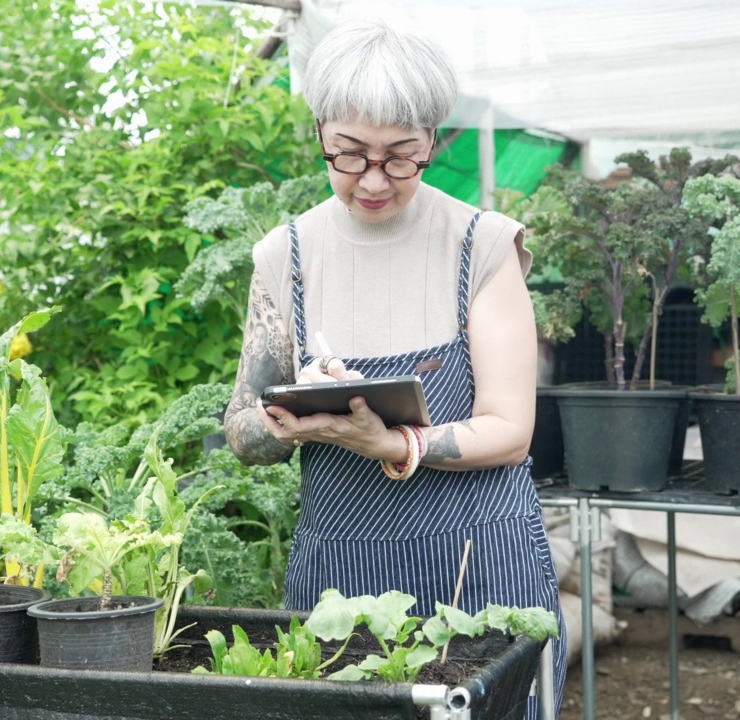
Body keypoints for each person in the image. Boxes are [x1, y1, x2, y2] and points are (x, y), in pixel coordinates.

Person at [223, 19, 566, 716]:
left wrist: (396, 443)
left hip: (482, 558)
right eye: (349, 154)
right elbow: (242, 433)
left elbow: (511, 428)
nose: (373, 180)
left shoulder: (481, 246)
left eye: (400, 156)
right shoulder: (285, 257)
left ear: (435, 142)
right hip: (340, 566)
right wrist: (297, 419)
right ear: (321, 131)